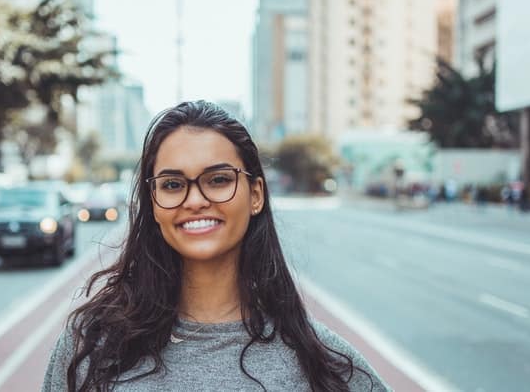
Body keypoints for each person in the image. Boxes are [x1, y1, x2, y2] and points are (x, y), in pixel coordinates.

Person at [43, 101, 389, 391]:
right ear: (153, 202)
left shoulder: (324, 365)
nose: (194, 200)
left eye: (219, 180)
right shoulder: (89, 348)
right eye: (173, 184)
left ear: (255, 195)